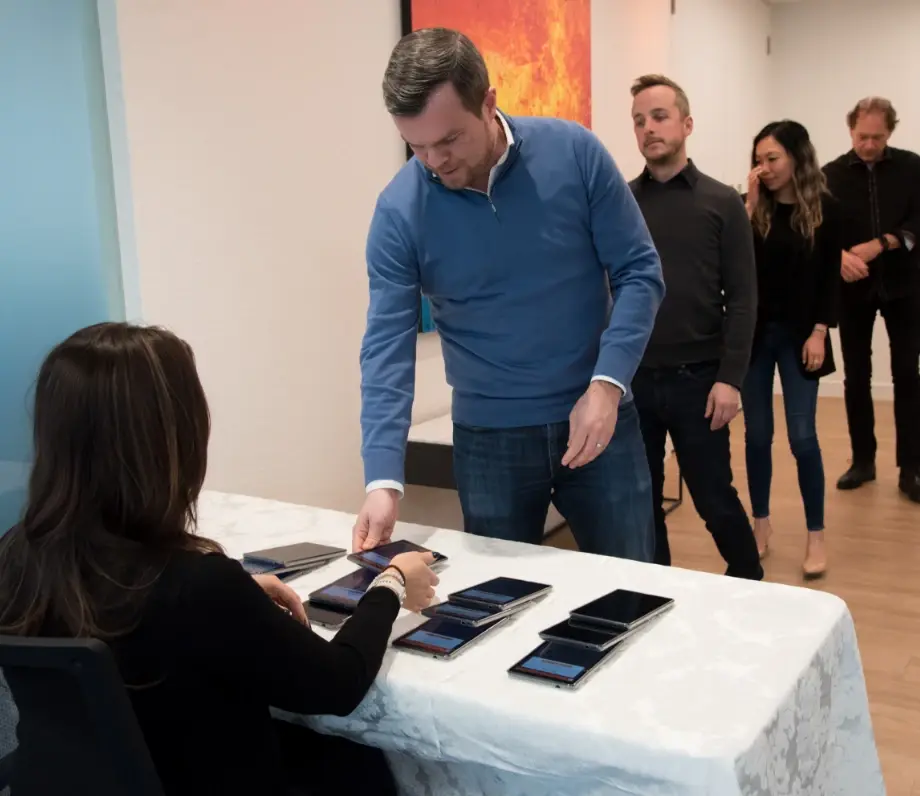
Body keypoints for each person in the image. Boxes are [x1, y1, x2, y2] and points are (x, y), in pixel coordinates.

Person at [0, 322, 439, 796]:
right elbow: (339, 684)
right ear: (173, 439)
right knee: (358, 762)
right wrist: (391, 582)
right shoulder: (199, 587)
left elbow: (134, 618)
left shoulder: (15, 557)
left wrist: (239, 599)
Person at [355, 29, 665, 558]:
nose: (435, 160)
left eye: (449, 140)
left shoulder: (575, 152)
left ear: (488, 103)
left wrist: (608, 385)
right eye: (417, 146)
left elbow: (640, 271)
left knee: (632, 583)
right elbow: (386, 346)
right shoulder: (399, 211)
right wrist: (383, 480)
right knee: (497, 595)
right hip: (488, 438)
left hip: (597, 414)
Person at [627, 75, 762, 580]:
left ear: (686, 124)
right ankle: (660, 593)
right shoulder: (623, 203)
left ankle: (749, 580)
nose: (648, 128)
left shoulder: (722, 202)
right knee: (643, 499)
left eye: (659, 117)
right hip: (635, 380)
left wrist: (731, 379)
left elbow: (744, 299)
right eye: (639, 121)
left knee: (713, 496)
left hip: (700, 382)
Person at [743, 121, 842, 577]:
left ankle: (815, 534)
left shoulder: (825, 208)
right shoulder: (751, 208)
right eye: (758, 160)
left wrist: (820, 331)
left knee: (803, 437)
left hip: (803, 335)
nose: (764, 168)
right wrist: (748, 207)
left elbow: (829, 279)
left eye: (772, 159)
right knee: (757, 434)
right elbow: (738, 268)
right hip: (756, 337)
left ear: (797, 158)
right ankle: (760, 523)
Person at [822, 98, 920, 503]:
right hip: (853, 290)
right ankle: (863, 461)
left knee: (908, 375)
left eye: (877, 138)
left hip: (905, 287)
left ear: (890, 133)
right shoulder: (829, 175)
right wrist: (838, 257)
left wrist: (884, 243)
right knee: (856, 376)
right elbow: (817, 231)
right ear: (851, 130)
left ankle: (912, 468)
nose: (868, 145)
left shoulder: (913, 167)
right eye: (862, 136)